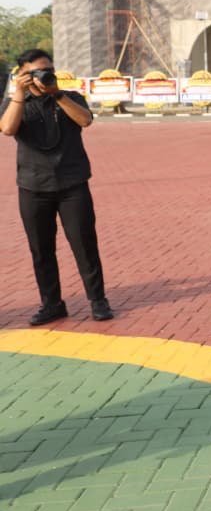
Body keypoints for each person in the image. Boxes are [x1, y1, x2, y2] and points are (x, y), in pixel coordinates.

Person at [1, 48, 114, 325]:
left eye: (47, 69)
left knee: (84, 244)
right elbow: (7, 129)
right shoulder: (15, 102)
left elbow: (85, 120)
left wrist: (56, 93)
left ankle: (98, 301)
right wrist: (18, 93)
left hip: (72, 184)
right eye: (34, 72)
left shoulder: (70, 97)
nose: (42, 75)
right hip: (32, 186)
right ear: (22, 74)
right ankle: (52, 304)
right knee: (41, 249)